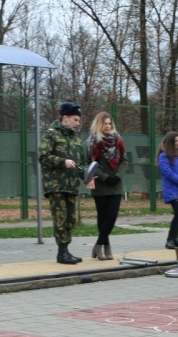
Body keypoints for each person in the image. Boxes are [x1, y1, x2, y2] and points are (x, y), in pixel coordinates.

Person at [40, 102, 87, 264]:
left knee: (70, 220)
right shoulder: (51, 134)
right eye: (75, 120)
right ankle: (62, 253)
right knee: (60, 218)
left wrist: (87, 176)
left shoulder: (76, 139)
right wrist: (62, 161)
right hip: (56, 185)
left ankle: (66, 250)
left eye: (79, 120)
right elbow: (43, 156)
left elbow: (81, 163)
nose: (78, 123)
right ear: (65, 118)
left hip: (71, 186)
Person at [86, 111, 127, 260]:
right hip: (101, 184)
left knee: (112, 216)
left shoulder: (118, 139)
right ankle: (106, 246)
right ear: (99, 124)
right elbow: (91, 164)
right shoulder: (92, 142)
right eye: (105, 123)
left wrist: (117, 176)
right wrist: (104, 177)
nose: (108, 126)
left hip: (116, 184)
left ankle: (98, 245)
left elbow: (124, 160)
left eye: (110, 123)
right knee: (102, 217)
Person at [158, 131, 178, 249]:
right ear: (170, 142)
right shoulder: (163, 156)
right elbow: (168, 173)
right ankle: (170, 239)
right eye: (176, 141)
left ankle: (175, 238)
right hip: (172, 190)